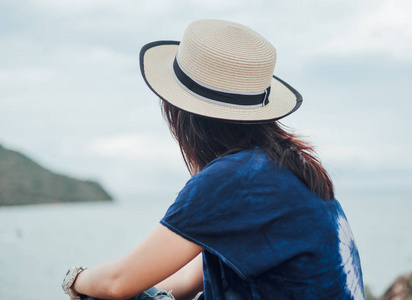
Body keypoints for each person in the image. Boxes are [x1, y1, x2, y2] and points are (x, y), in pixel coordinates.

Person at [61, 19, 365, 300]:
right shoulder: (284, 167)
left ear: (178, 113)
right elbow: (188, 282)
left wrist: (75, 280)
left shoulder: (236, 178)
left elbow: (119, 282)